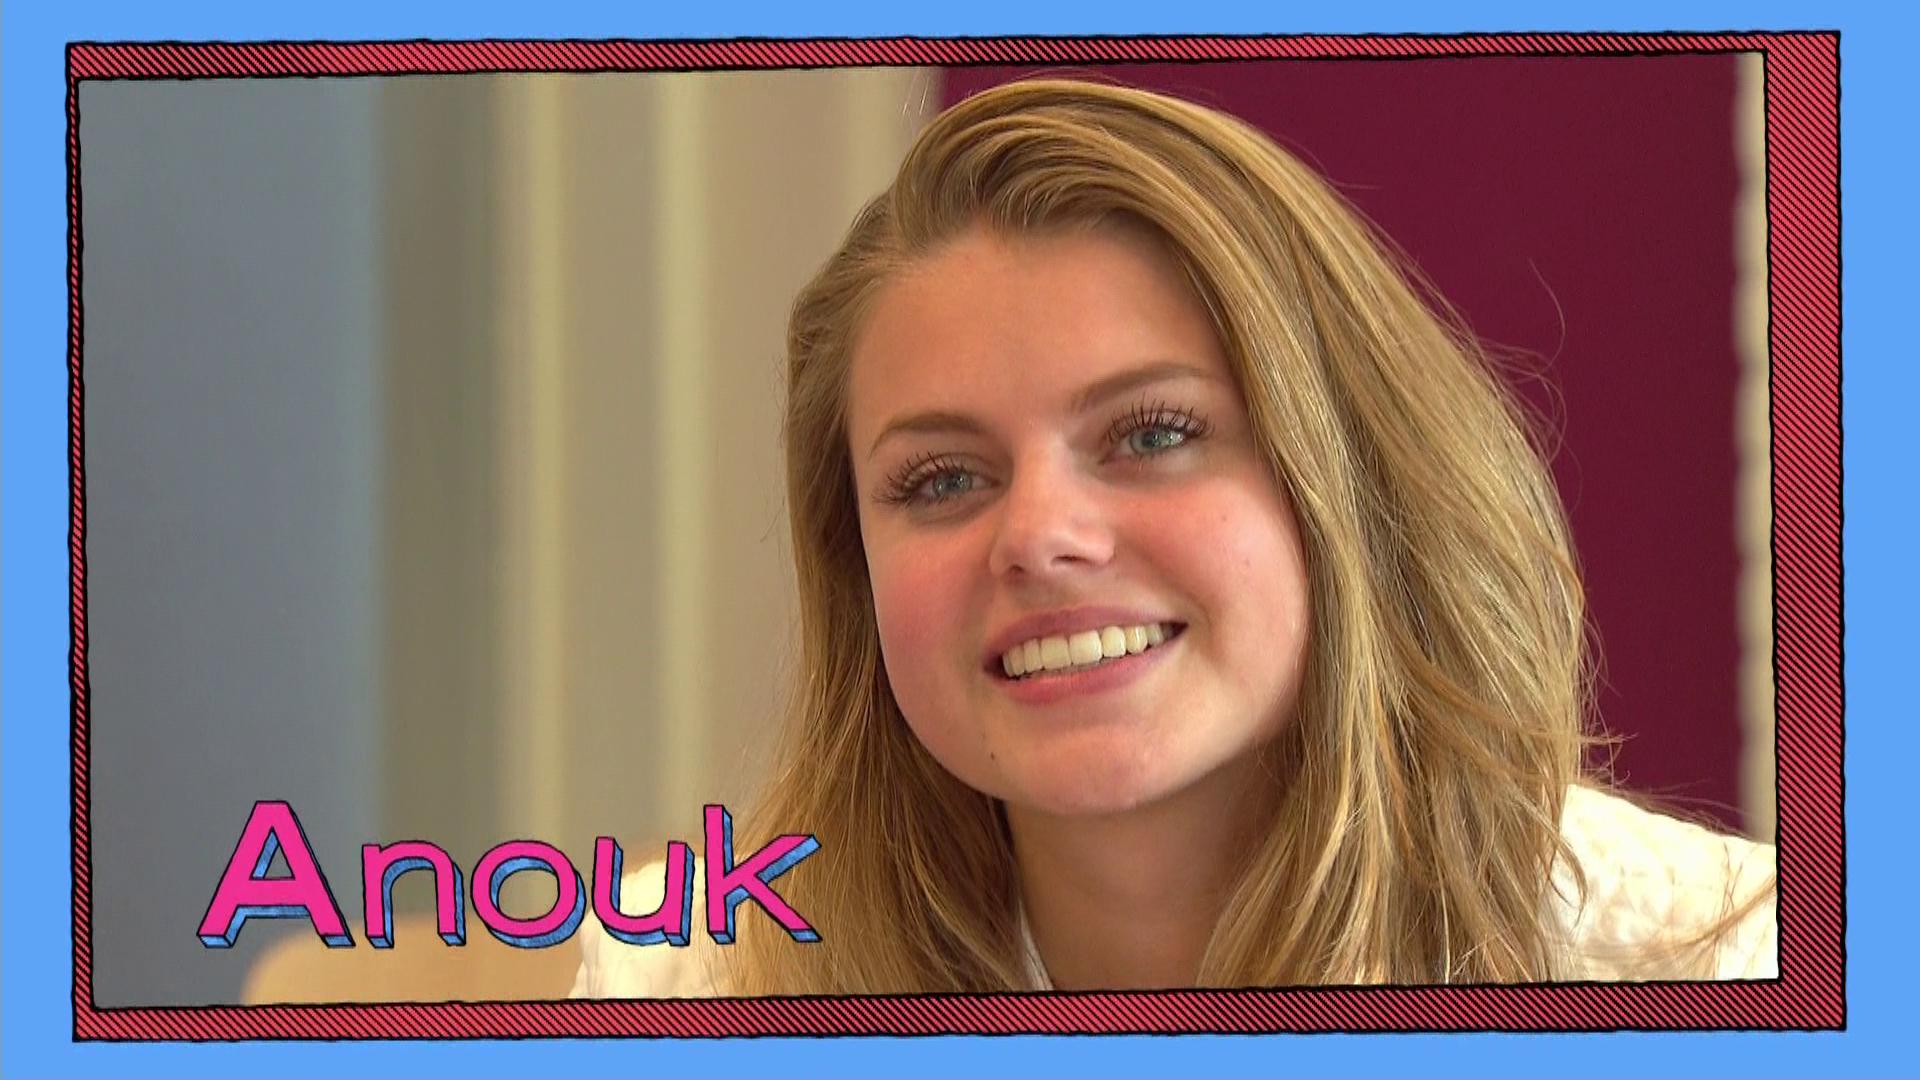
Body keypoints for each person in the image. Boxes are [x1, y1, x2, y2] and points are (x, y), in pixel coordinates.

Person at [571, 78, 1777, 998]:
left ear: (1348, 483)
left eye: (1151, 433)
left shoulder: (1719, 966)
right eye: (941, 479)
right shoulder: (674, 986)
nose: (1039, 536)